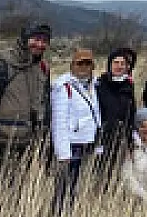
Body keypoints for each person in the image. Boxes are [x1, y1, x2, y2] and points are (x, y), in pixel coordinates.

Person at [0, 22, 52, 198]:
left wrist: (41, 138)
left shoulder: (42, 68)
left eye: (44, 40)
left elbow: (44, 104)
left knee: (16, 196)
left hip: (27, 143)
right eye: (36, 39)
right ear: (25, 39)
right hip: (0, 143)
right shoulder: (4, 64)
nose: (40, 44)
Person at [51, 48, 102, 216]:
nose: (84, 66)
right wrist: (63, 153)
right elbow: (59, 121)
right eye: (80, 63)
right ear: (72, 64)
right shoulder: (63, 86)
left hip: (87, 143)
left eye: (88, 63)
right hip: (71, 146)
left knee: (78, 187)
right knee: (63, 190)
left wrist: (98, 143)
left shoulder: (94, 84)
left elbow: (97, 114)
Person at [95, 48, 136, 182]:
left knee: (119, 176)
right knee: (101, 176)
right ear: (109, 64)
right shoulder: (100, 84)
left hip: (120, 139)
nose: (119, 66)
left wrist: (130, 142)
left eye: (122, 63)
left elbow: (131, 115)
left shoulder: (128, 86)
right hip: (102, 138)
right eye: (116, 62)